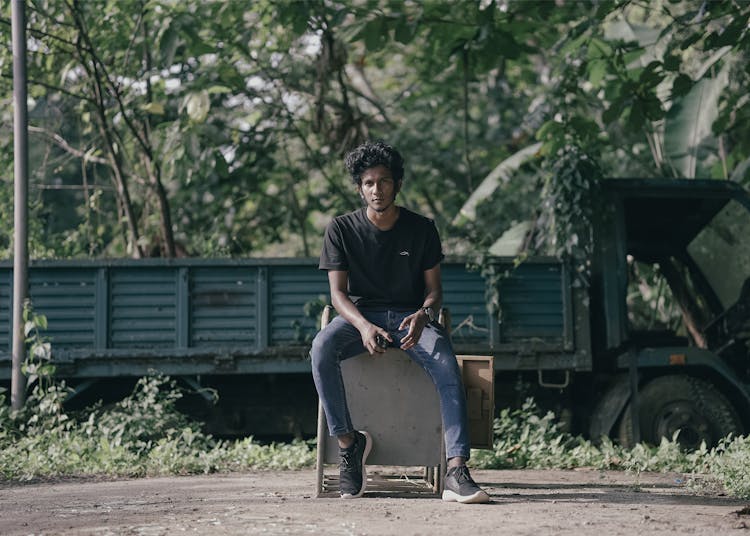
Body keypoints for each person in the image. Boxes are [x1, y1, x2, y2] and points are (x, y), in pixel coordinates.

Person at [310, 140, 490, 504]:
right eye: (369, 183)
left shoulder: (421, 228)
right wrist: (362, 326)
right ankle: (349, 445)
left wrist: (424, 314)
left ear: (397, 184)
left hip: (412, 321)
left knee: (448, 366)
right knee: (320, 348)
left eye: (384, 181)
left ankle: (456, 471)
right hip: (362, 318)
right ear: (360, 188)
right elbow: (338, 295)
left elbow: (434, 292)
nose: (377, 189)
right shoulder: (341, 229)